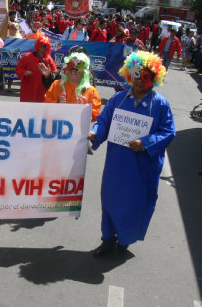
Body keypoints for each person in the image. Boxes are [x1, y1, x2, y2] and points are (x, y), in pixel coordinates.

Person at [88, 51, 175, 256]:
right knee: (110, 199)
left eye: (143, 76)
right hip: (117, 163)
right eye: (135, 75)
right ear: (129, 75)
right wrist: (95, 133)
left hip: (142, 167)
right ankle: (107, 239)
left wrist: (145, 143)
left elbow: (168, 132)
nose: (138, 80)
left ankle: (125, 240)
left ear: (153, 77)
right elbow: (104, 122)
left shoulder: (160, 104)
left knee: (134, 203)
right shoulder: (118, 98)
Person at [44, 51, 101, 121]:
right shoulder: (56, 85)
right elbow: (46, 104)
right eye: (70, 66)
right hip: (57, 127)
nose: (73, 70)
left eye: (78, 67)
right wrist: (57, 102)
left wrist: (83, 110)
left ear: (84, 72)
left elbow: (96, 114)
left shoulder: (91, 90)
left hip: (79, 129)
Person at [15, 35, 57, 102]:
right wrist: (24, 72)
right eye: (41, 44)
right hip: (29, 90)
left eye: (45, 46)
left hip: (43, 91)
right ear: (37, 45)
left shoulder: (49, 60)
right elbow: (18, 69)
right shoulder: (27, 57)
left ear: (47, 47)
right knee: (27, 109)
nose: (42, 47)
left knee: (41, 109)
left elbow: (55, 73)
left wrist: (49, 75)